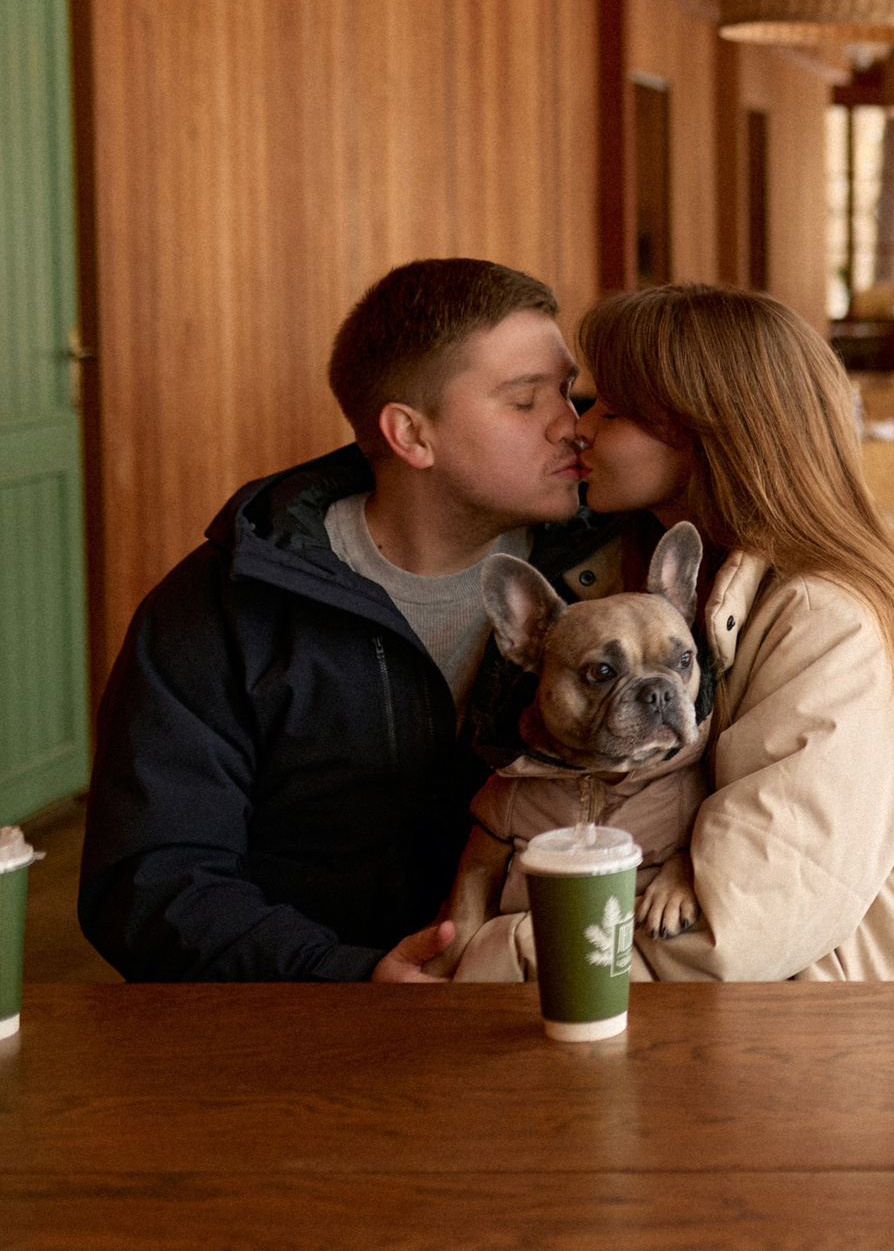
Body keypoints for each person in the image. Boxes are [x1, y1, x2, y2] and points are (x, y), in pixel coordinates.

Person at [79, 259, 592, 981]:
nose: (573, 427)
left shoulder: (602, 578)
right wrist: (343, 973)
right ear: (411, 435)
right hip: (305, 1017)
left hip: (550, 1000)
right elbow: (151, 881)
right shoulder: (221, 605)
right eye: (525, 401)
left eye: (568, 391)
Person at [573, 283, 894, 981]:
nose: (580, 429)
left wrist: (496, 954)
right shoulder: (662, 586)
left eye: (610, 411)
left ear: (705, 433)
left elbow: (740, 932)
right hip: (812, 1015)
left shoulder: (831, 620)